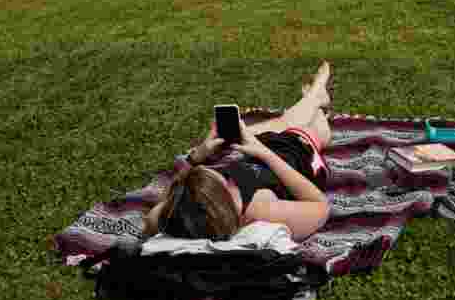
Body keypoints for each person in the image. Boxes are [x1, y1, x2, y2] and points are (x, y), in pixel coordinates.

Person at [141, 61, 335, 243]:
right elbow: (320, 207)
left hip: (257, 154)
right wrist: (265, 154)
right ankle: (316, 97)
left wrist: (196, 157)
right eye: (224, 179)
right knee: (302, 128)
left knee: (261, 129)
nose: (227, 175)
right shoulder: (260, 211)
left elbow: (171, 199)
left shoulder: (171, 216)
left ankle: (314, 97)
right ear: (225, 197)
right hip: (295, 154)